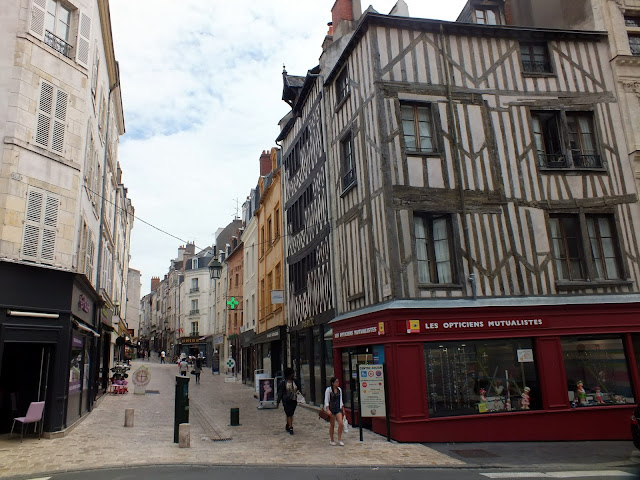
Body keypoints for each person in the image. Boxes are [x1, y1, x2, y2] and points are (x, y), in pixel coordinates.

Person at [276, 367, 300, 435]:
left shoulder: (295, 381)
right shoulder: (283, 383)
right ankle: (291, 427)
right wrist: (278, 401)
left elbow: (298, 389)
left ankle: (288, 424)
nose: (293, 375)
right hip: (286, 400)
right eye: (292, 373)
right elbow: (280, 392)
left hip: (294, 400)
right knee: (288, 413)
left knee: (291, 413)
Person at [323, 377, 346, 446]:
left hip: (338, 409)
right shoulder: (329, 390)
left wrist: (343, 408)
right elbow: (326, 400)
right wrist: (328, 409)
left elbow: (341, 400)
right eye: (336, 382)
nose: (338, 383)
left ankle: (339, 439)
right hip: (331, 409)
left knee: (341, 423)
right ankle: (332, 439)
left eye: (338, 382)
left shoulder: (339, 390)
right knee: (332, 425)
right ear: (333, 383)